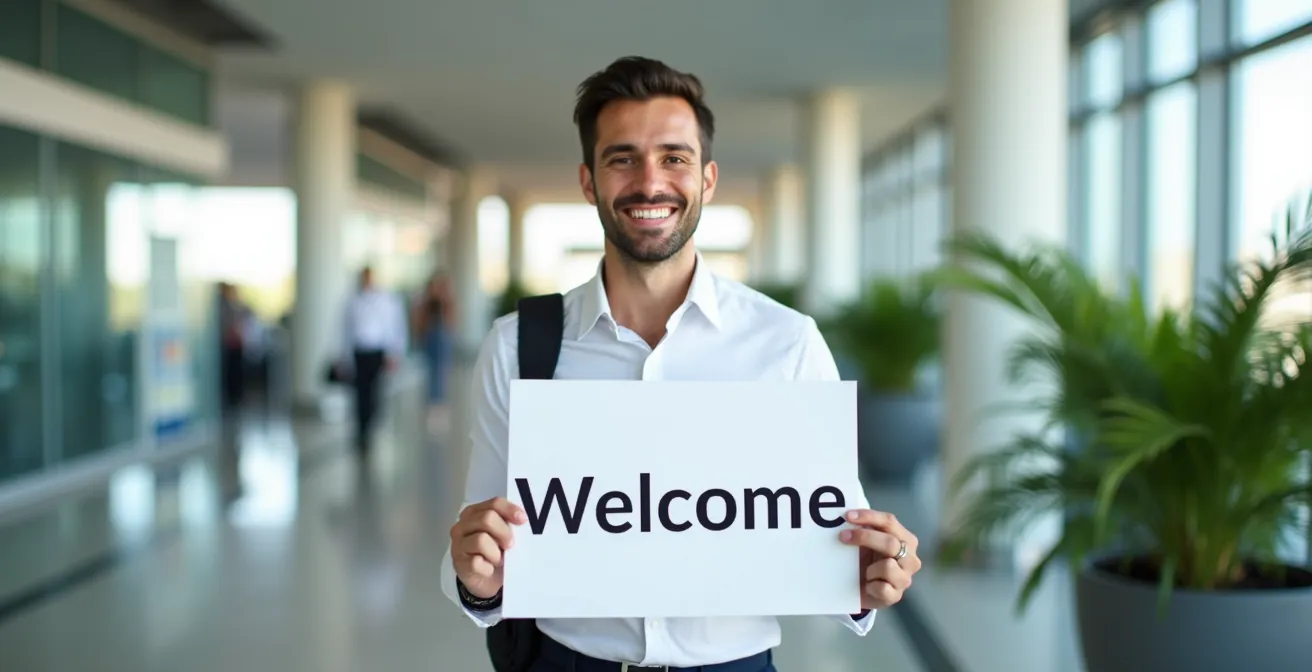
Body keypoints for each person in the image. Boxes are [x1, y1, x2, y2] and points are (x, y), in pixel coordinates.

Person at [441, 56, 922, 671]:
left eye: (674, 158)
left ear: (707, 179)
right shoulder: (516, 347)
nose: (650, 183)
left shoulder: (785, 342)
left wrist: (875, 570)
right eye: (622, 159)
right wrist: (478, 580)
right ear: (589, 182)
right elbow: (478, 544)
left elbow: (833, 539)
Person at [337, 266, 408, 457]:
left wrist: (395, 352)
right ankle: (362, 433)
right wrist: (343, 357)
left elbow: (393, 326)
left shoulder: (384, 300)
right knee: (360, 394)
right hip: (359, 352)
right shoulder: (352, 301)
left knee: (375, 393)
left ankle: (370, 423)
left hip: (377, 352)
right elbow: (345, 331)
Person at [412, 272, 457, 429]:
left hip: (442, 340)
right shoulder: (425, 303)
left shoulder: (446, 302)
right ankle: (433, 406)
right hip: (430, 340)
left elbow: (451, 322)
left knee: (441, 373)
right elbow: (419, 322)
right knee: (432, 374)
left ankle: (440, 406)